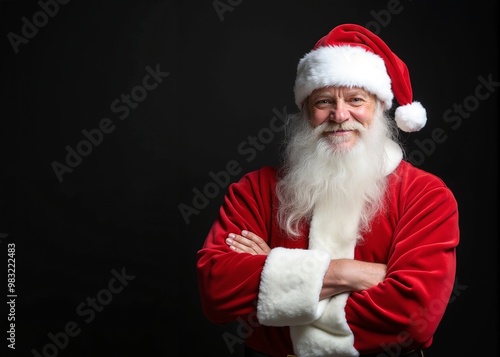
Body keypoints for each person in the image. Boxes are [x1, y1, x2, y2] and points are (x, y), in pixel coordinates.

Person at [196, 23, 459, 357]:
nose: (339, 114)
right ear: (306, 111)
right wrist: (351, 273)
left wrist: (273, 273)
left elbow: (414, 316)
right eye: (323, 101)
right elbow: (217, 290)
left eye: (355, 99)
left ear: (379, 108)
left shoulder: (426, 195)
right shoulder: (255, 189)